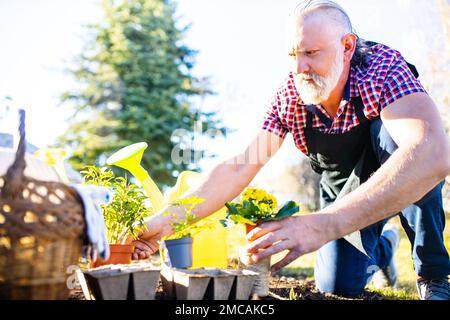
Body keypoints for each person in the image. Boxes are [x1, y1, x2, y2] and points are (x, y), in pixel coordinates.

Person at [132, 0, 450, 300]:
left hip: (390, 162)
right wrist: (168, 220)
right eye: (292, 54)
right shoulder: (290, 95)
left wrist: (325, 223)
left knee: (407, 147)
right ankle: (383, 248)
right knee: (337, 284)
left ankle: (433, 273)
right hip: (342, 186)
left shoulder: (381, 67)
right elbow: (241, 165)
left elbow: (432, 152)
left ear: (348, 46)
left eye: (311, 53)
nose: (300, 67)